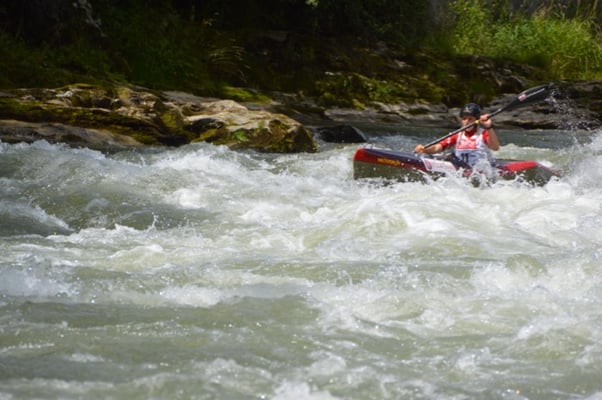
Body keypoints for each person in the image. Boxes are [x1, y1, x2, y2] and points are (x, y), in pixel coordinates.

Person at [414, 103, 500, 168]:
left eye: (470, 119)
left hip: (481, 169)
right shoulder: (457, 135)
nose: (466, 122)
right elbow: (437, 148)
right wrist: (424, 149)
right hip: (461, 168)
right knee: (448, 157)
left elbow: (495, 147)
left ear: (477, 120)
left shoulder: (483, 133)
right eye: (464, 119)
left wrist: (489, 127)